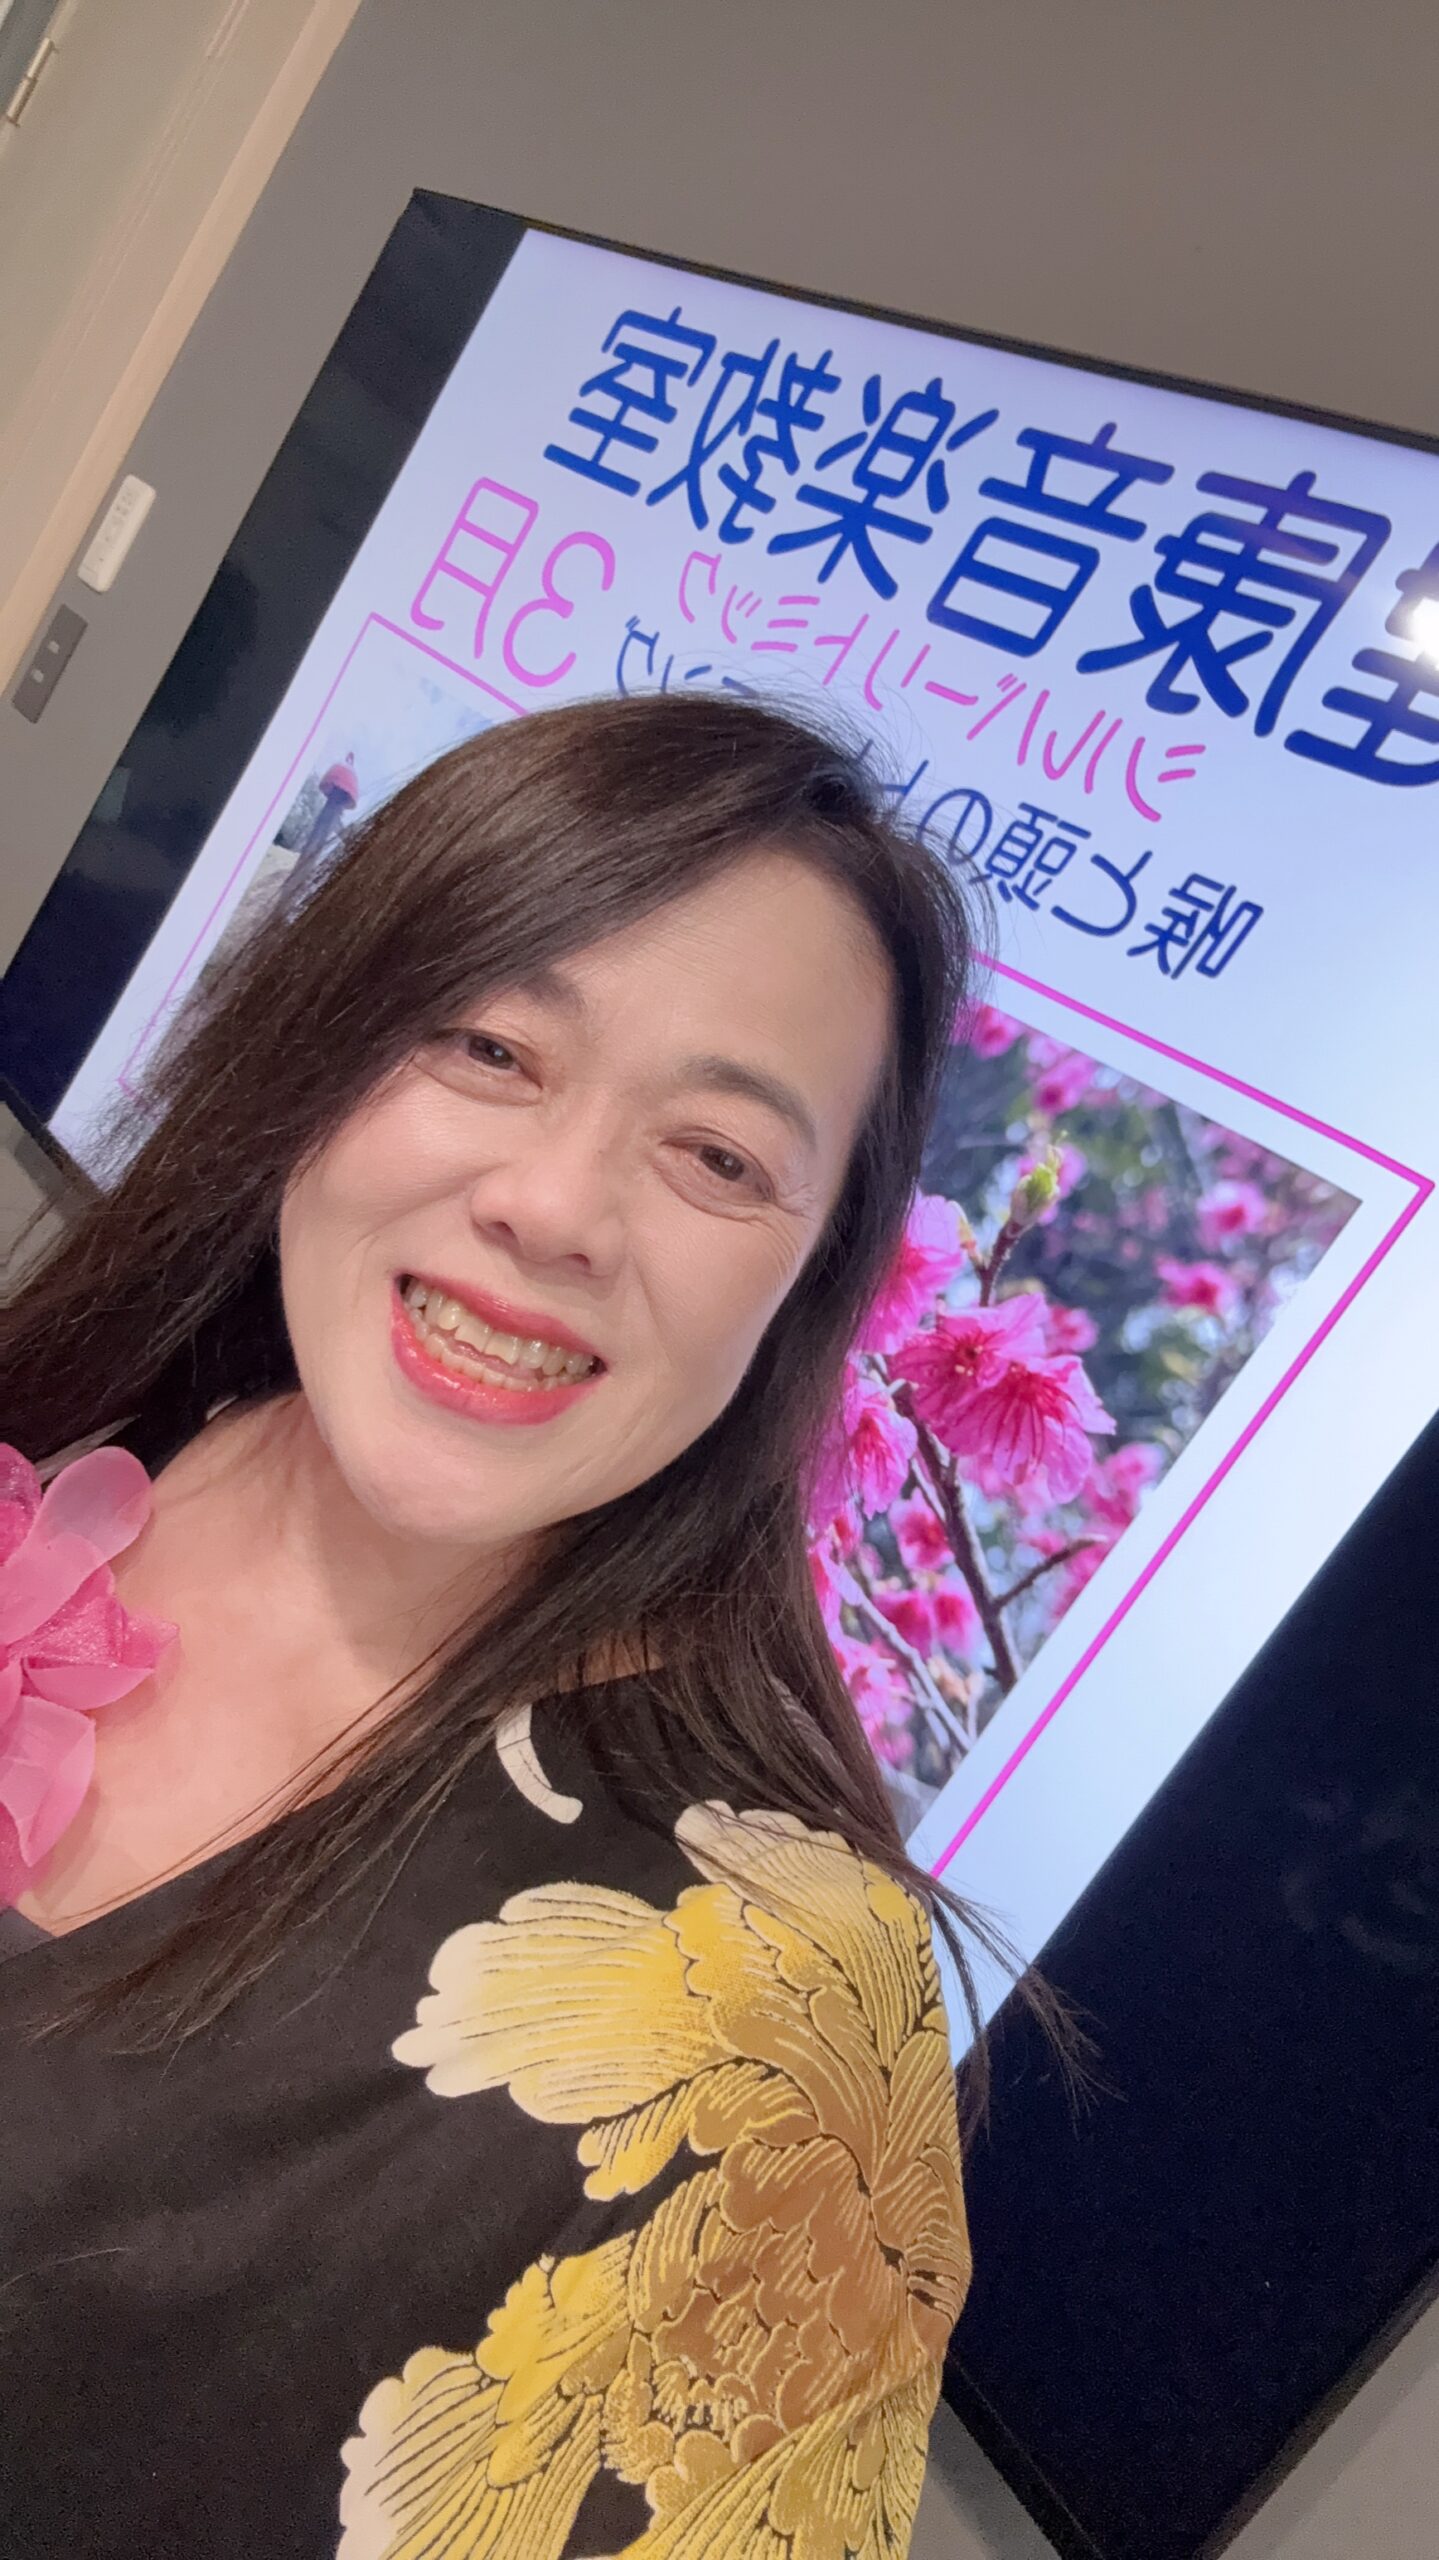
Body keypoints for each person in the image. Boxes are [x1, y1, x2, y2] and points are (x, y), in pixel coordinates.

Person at [0, 692, 1045, 2559]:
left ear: (809, 1286)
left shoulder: (777, 2029)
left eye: (719, 1157)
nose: (554, 1206)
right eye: (489, 1045)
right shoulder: (79, 1423)